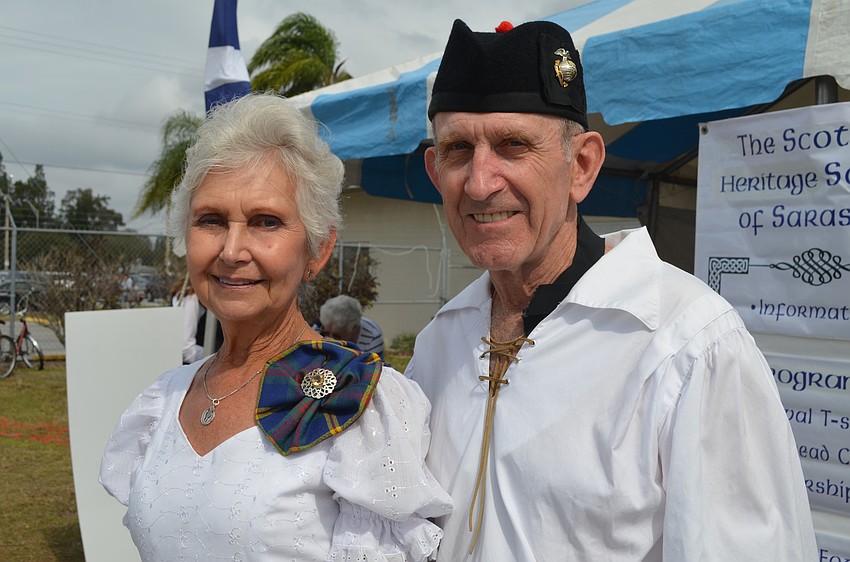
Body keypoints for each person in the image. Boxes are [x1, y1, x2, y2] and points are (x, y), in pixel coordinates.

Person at [405, 19, 817, 561]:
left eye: (513, 146)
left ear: (581, 166)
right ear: (436, 171)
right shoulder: (439, 343)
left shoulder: (687, 345)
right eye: (459, 150)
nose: (481, 183)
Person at [99, 93, 452, 561]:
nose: (231, 250)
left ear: (318, 250)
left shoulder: (364, 403)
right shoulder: (163, 400)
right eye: (211, 220)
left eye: (266, 222)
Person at [170, 275, 223, 364]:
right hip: (195, 365)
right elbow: (186, 348)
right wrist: (217, 359)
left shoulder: (192, 295)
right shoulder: (191, 297)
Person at [320, 294, 386, 358]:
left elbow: (373, 367)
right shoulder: (318, 327)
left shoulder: (372, 337)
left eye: (337, 336)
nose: (330, 339)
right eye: (327, 333)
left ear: (354, 328)